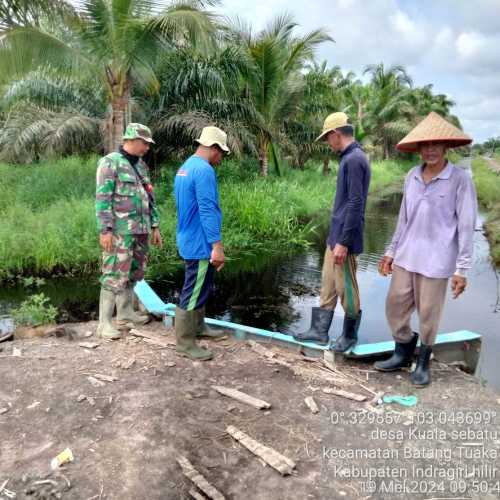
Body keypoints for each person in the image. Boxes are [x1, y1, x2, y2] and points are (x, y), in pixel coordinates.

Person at [375, 112, 477, 387]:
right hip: (407, 256)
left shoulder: (459, 179)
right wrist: (390, 251)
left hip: (437, 260)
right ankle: (403, 348)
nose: (430, 150)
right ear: (418, 148)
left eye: (436, 145)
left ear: (445, 147)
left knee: (429, 314)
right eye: (425, 145)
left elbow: (467, 225)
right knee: (394, 306)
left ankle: (422, 362)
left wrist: (462, 269)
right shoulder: (412, 176)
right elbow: (403, 219)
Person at [294, 112, 371, 353]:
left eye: (328, 138)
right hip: (335, 237)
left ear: (336, 134)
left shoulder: (354, 159)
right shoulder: (348, 158)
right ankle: (319, 332)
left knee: (346, 288)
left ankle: (349, 337)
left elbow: (356, 203)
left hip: (344, 241)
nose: (328, 143)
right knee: (327, 286)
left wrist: (344, 242)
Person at [95, 123, 162, 339]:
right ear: (131, 140)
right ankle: (104, 324)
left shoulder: (141, 166)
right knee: (113, 274)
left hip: (140, 231)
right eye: (145, 143)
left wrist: (155, 225)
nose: (147, 148)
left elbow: (150, 197)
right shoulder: (110, 163)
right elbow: (103, 199)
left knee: (134, 273)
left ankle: (125, 314)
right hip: (119, 232)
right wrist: (105, 229)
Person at [173, 126, 229, 361]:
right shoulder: (204, 170)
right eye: (221, 153)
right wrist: (216, 245)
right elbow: (207, 209)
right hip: (199, 243)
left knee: (201, 286)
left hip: (187, 237)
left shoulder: (186, 167)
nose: (221, 158)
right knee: (193, 290)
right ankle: (185, 343)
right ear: (213, 148)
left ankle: (199, 327)